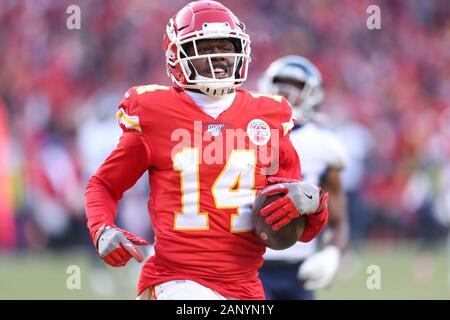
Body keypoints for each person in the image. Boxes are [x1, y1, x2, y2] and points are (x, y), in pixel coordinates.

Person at [85, 1, 329, 300]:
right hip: (175, 280)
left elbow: (299, 227)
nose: (220, 58)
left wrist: (314, 204)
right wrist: (102, 228)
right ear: (178, 55)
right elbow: (104, 184)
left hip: (246, 285)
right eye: (207, 48)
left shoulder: (268, 115)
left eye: (226, 47)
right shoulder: (155, 113)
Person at [257, 55, 349, 299]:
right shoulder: (247, 134)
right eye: (281, 83)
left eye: (296, 87)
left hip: (300, 269)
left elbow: (339, 218)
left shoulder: (323, 144)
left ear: (313, 95)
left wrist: (332, 254)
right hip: (250, 263)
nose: (287, 93)